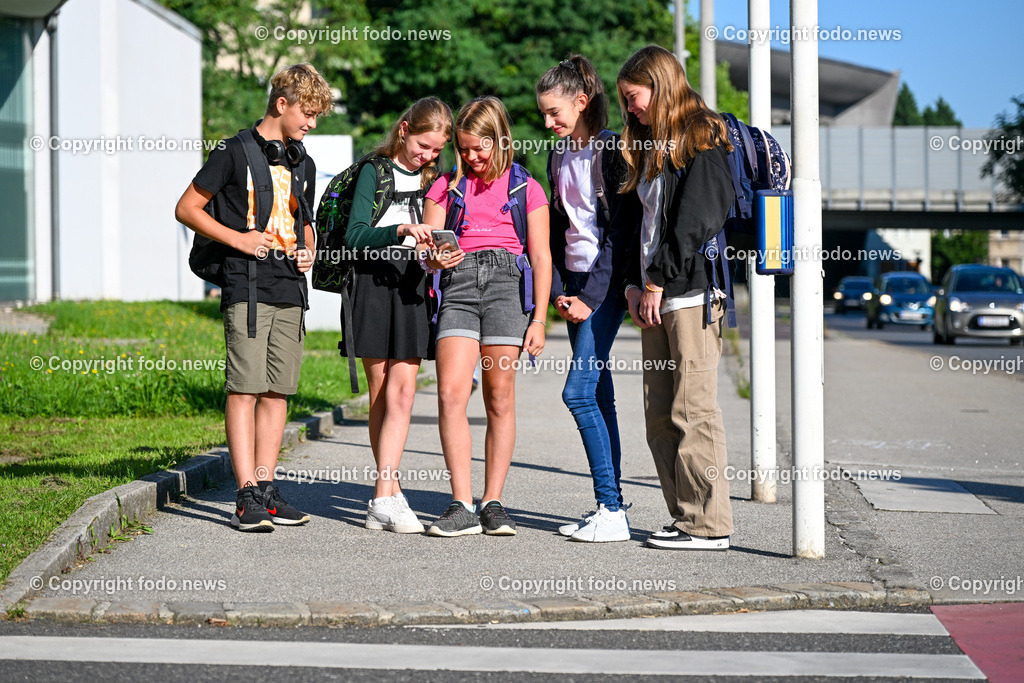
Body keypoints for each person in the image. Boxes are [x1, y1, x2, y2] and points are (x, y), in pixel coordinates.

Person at [175, 64, 332, 531]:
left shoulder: (303, 160)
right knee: (245, 387)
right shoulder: (233, 151)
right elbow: (186, 208)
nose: (313, 123)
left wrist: (310, 250)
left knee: (278, 390)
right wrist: (238, 239)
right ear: (281, 104)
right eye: (308, 113)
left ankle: (266, 488)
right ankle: (245, 496)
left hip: (290, 286)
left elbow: (303, 219)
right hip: (246, 283)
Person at [616, 45, 736, 550]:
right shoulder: (649, 144)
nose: (629, 109)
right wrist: (632, 280)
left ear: (660, 84)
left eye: (634, 97)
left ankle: (709, 525)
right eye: (623, 101)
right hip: (654, 294)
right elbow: (637, 224)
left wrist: (657, 279)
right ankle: (684, 516)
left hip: (688, 295)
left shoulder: (703, 136)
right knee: (660, 414)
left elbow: (695, 223)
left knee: (694, 410)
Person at [421, 96, 551, 537]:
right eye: (465, 149)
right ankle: (460, 503)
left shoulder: (526, 188)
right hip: (458, 286)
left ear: (501, 140)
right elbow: (427, 250)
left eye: (481, 148)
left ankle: (492, 501)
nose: (473, 158)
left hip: (506, 289)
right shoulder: (445, 186)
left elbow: (542, 255)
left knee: (498, 397)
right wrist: (435, 259)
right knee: (451, 394)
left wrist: (538, 320)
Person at [536, 55, 641, 542]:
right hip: (574, 287)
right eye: (543, 115)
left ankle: (611, 509)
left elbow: (620, 233)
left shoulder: (610, 151)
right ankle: (612, 504)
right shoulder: (559, 154)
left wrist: (592, 297)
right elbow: (560, 227)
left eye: (555, 112)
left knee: (576, 392)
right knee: (600, 395)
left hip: (605, 287)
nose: (548, 122)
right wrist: (560, 290)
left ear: (582, 102)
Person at [343, 97, 452, 533]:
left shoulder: (434, 179)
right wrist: (401, 229)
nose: (428, 156)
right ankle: (389, 492)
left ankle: (384, 494)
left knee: (403, 392)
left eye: (436, 150)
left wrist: (438, 253)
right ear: (404, 130)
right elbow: (354, 237)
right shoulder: (375, 169)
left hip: (411, 285)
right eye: (424, 145)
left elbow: (434, 237)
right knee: (381, 392)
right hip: (372, 285)